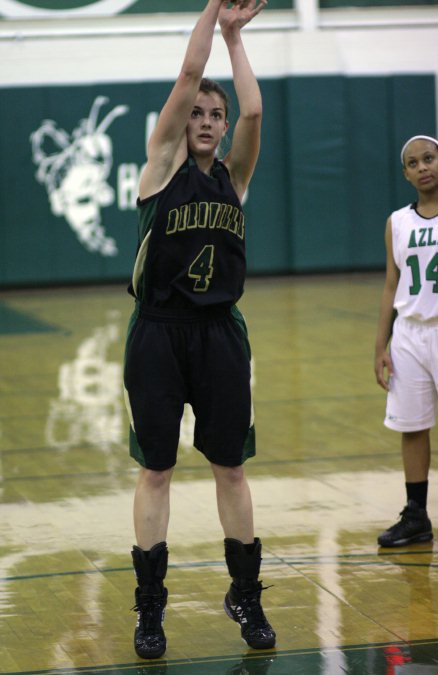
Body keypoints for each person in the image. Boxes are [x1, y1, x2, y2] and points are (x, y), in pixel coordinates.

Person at [123, 0, 276, 660]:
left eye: (215, 115)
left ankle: (245, 593)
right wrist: (214, 11)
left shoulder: (235, 179)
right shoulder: (159, 169)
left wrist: (237, 40)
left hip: (220, 334)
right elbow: (189, 75)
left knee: (231, 468)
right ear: (180, 124)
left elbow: (255, 113)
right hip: (157, 333)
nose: (209, 120)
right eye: (198, 114)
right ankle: (150, 608)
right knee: (156, 470)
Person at [374, 134, 438, 547]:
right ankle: (416, 515)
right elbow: (391, 285)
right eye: (413, 163)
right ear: (405, 173)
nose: (422, 167)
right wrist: (380, 345)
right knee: (412, 425)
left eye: (429, 159)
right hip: (410, 334)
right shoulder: (397, 222)